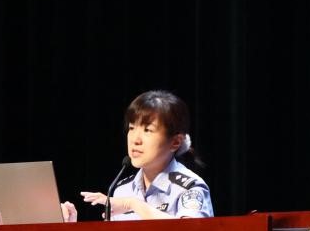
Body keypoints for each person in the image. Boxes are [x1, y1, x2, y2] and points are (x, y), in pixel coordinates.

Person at [62, 90, 213, 222]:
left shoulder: (190, 187)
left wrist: (133, 204)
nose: (135, 139)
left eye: (148, 130)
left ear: (175, 142)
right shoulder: (122, 189)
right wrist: (69, 230)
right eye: (132, 128)